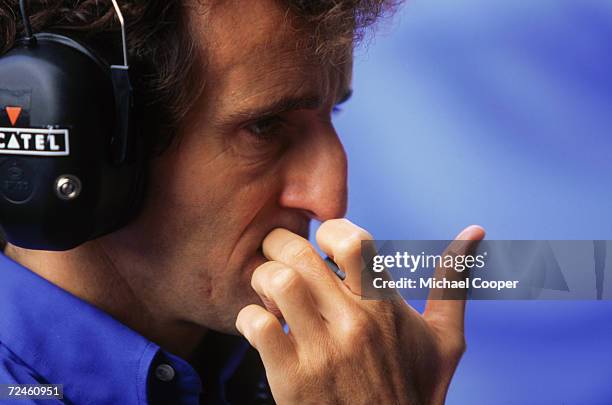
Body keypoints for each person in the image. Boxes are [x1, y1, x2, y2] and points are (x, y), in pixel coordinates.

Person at [0, 1, 485, 403]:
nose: (329, 200)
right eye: (266, 127)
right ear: (82, 140)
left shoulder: (302, 380)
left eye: (332, 111)